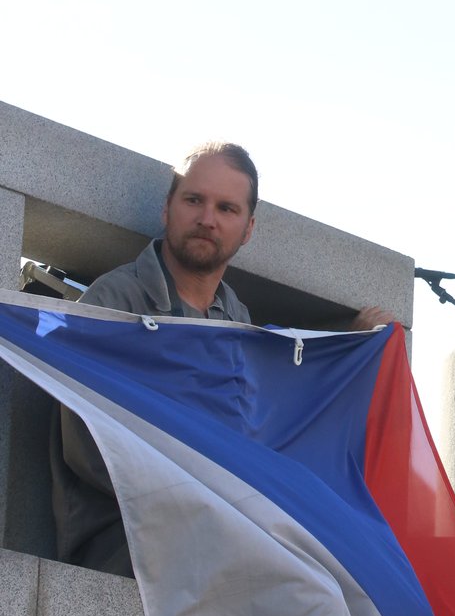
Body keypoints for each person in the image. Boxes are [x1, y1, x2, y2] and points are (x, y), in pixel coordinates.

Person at [50, 141, 387, 573]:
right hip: (126, 536)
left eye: (226, 209)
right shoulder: (114, 300)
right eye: (194, 200)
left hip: (219, 535)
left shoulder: (236, 320)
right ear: (167, 209)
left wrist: (349, 349)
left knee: (339, 569)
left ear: (247, 229)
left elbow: (266, 430)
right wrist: (199, 495)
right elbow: (86, 445)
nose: (207, 219)